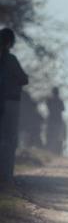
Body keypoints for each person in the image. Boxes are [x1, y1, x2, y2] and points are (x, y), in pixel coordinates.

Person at [0, 28, 29, 181]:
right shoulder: (11, 59)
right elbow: (24, 79)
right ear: (10, 42)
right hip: (11, 101)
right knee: (9, 139)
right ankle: (6, 176)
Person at [45, 86, 66, 156]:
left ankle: (50, 152)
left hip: (51, 120)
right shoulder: (60, 100)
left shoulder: (49, 100)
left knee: (50, 136)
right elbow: (63, 109)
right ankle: (57, 153)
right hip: (58, 120)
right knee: (58, 137)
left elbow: (48, 106)